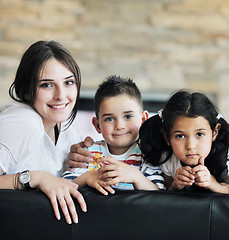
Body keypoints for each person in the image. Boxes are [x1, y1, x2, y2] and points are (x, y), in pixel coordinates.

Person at [0, 40, 87, 225]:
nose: (61, 95)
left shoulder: (66, 130)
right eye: (47, 85)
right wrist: (34, 177)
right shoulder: (25, 122)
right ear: (27, 91)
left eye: (69, 82)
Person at [62, 76, 165, 193]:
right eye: (109, 119)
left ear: (143, 119)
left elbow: (159, 193)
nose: (119, 126)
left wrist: (136, 176)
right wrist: (87, 177)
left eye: (128, 116)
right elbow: (65, 186)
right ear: (97, 125)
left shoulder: (148, 153)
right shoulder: (88, 152)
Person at [139, 90, 229, 194]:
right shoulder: (168, 158)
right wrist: (175, 185)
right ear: (167, 138)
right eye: (180, 136)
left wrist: (213, 184)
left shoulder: (226, 153)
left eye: (199, 134)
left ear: (215, 132)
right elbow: (166, 196)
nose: (190, 146)